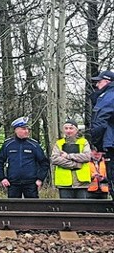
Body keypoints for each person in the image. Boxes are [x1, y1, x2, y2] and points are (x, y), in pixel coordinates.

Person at [0, 116, 50, 198]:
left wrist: (40, 179)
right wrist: (2, 178)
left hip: (31, 183)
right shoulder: (8, 145)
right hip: (13, 183)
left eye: (27, 129)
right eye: (23, 129)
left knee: (33, 207)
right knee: (13, 208)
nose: (26, 131)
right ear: (16, 130)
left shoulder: (34, 145)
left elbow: (44, 163)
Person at [49, 119, 91, 198]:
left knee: (82, 208)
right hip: (64, 183)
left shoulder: (84, 142)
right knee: (66, 208)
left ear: (76, 130)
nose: (68, 131)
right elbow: (55, 159)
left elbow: (87, 157)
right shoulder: (59, 143)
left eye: (71, 128)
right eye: (66, 128)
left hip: (81, 183)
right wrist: (75, 164)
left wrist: (68, 156)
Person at [89, 69, 114, 199]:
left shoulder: (108, 97)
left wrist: (97, 144)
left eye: (98, 82)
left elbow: (100, 122)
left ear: (106, 81)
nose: (97, 86)